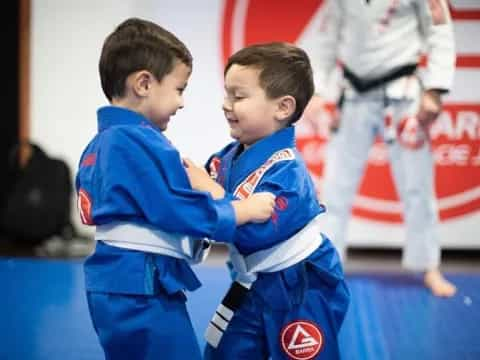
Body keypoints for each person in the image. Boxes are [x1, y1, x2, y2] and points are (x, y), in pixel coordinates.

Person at [75, 18, 276, 360]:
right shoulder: (132, 143)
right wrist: (240, 210)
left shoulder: (102, 144)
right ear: (143, 83)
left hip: (122, 283)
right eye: (179, 89)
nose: (182, 103)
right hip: (141, 289)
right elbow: (176, 209)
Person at [185, 42, 350, 359]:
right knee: (222, 353)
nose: (226, 104)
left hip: (301, 284)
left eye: (239, 96)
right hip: (251, 285)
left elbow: (253, 231)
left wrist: (210, 190)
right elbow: (194, 199)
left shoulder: (289, 170)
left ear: (283, 108)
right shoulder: (224, 161)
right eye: (226, 94)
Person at [307, 0, 456, 297]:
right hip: (353, 93)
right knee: (336, 187)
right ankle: (326, 265)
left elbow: (440, 32)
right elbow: (326, 38)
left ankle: (429, 266)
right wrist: (318, 92)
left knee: (417, 185)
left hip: (404, 96)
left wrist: (435, 90)